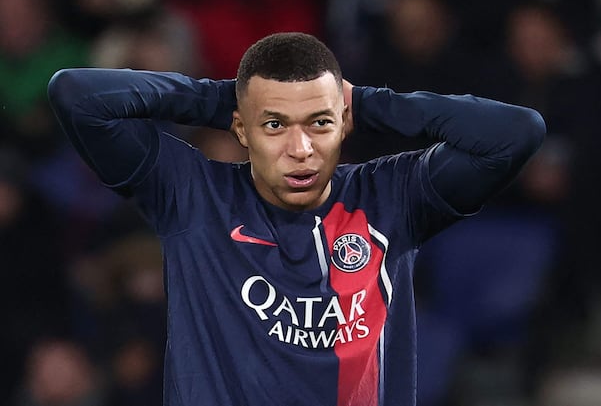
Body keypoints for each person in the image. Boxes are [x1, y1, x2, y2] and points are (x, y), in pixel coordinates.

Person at [47, 32, 545, 406]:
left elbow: (516, 133)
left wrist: (369, 102)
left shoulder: (394, 196)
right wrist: (220, 98)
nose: (300, 149)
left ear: (343, 123)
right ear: (240, 128)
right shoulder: (193, 195)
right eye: (274, 125)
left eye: (320, 123)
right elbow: (77, 95)